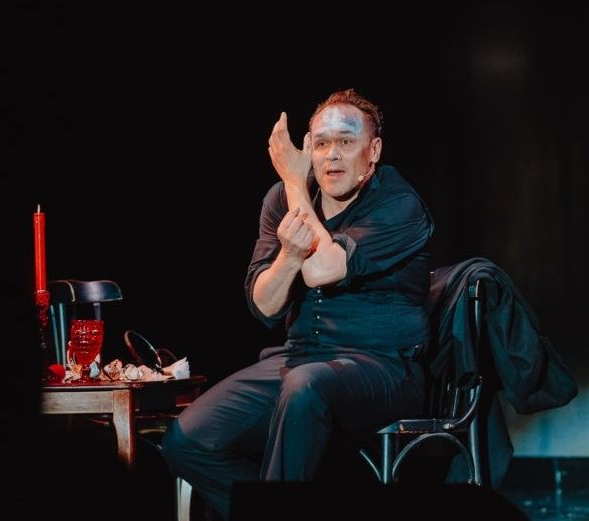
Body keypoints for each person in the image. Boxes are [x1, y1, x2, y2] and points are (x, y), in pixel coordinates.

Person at [162, 89, 434, 518]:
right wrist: (288, 255)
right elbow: (265, 306)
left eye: (346, 142)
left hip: (384, 368)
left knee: (305, 388)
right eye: (321, 144)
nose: (332, 155)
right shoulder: (280, 200)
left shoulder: (399, 204)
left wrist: (293, 182)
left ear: (374, 150)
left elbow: (323, 269)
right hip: (299, 360)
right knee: (188, 441)